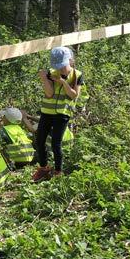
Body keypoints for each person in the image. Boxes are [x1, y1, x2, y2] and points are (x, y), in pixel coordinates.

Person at [32, 46, 84, 182]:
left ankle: (58, 171)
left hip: (62, 114)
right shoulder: (50, 73)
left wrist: (62, 82)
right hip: (47, 112)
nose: (59, 68)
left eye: (62, 65)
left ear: (69, 60)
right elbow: (49, 94)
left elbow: (74, 96)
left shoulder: (77, 75)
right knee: (40, 140)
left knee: (56, 144)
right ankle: (43, 168)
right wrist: (44, 80)